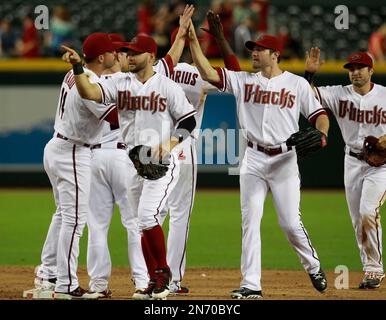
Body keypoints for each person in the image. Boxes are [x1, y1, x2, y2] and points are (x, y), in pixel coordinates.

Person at [61, 6, 197, 301]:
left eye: (134, 52)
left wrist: (168, 146)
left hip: (161, 162)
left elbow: (189, 121)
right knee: (140, 222)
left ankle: (162, 276)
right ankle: (152, 280)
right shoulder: (119, 82)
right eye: (127, 52)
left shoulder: (167, 85)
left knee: (148, 216)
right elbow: (89, 93)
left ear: (150, 56)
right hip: (133, 162)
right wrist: (77, 67)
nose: (129, 56)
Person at [187, 24, 330, 298]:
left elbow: (320, 114)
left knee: (289, 222)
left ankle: (313, 266)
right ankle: (251, 284)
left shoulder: (297, 84)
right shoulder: (243, 81)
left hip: (284, 159)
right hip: (252, 158)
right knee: (250, 220)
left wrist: (322, 135)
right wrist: (193, 40)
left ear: (275, 54)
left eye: (260, 49)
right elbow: (207, 71)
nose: (254, 53)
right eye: (252, 49)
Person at [159, 10, 241, 296]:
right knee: (180, 215)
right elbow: (236, 75)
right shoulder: (198, 74)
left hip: (156, 147)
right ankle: (172, 280)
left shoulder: (156, 72)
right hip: (183, 146)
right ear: (190, 42)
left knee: (153, 213)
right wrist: (216, 39)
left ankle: (146, 274)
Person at [33, 33, 119, 299]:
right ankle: (66, 284)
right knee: (74, 220)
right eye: (112, 52)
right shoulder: (89, 83)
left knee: (62, 215)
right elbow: (115, 117)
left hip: (58, 147)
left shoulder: (77, 73)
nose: (117, 55)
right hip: (74, 151)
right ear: (102, 57)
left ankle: (48, 271)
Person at [305, 48, 386, 289]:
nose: (355, 72)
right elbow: (306, 96)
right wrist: (309, 74)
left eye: (360, 68)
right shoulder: (338, 94)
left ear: (371, 70)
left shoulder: (384, 95)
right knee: (356, 219)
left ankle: (374, 269)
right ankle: (369, 267)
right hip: (351, 161)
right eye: (351, 68)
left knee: (367, 211)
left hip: (381, 165)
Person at [82, 33, 148, 300]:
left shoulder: (96, 82)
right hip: (123, 158)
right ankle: (142, 282)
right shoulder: (132, 82)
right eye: (120, 51)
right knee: (134, 223)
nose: (120, 54)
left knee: (97, 225)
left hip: (95, 157)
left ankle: (98, 284)